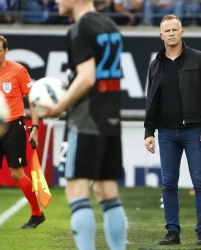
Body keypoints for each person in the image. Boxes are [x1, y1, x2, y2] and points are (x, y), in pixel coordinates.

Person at [38, 0, 127, 249]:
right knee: (107, 194)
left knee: (76, 193)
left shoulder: (79, 29)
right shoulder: (110, 25)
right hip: (110, 119)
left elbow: (87, 78)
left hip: (85, 120)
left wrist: (59, 106)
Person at [144, 14, 201, 246]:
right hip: (166, 133)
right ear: (161, 35)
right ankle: (172, 232)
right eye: (168, 30)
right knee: (168, 183)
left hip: (194, 131)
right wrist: (149, 132)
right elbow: (151, 100)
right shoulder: (155, 64)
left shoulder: (199, 59)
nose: (172, 33)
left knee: (200, 181)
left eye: (175, 29)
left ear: (182, 32)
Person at [0, 35, 45, 229]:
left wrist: (34, 127)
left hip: (14, 127)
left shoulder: (18, 70)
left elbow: (32, 99)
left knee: (17, 173)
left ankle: (37, 214)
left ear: (6, 51)